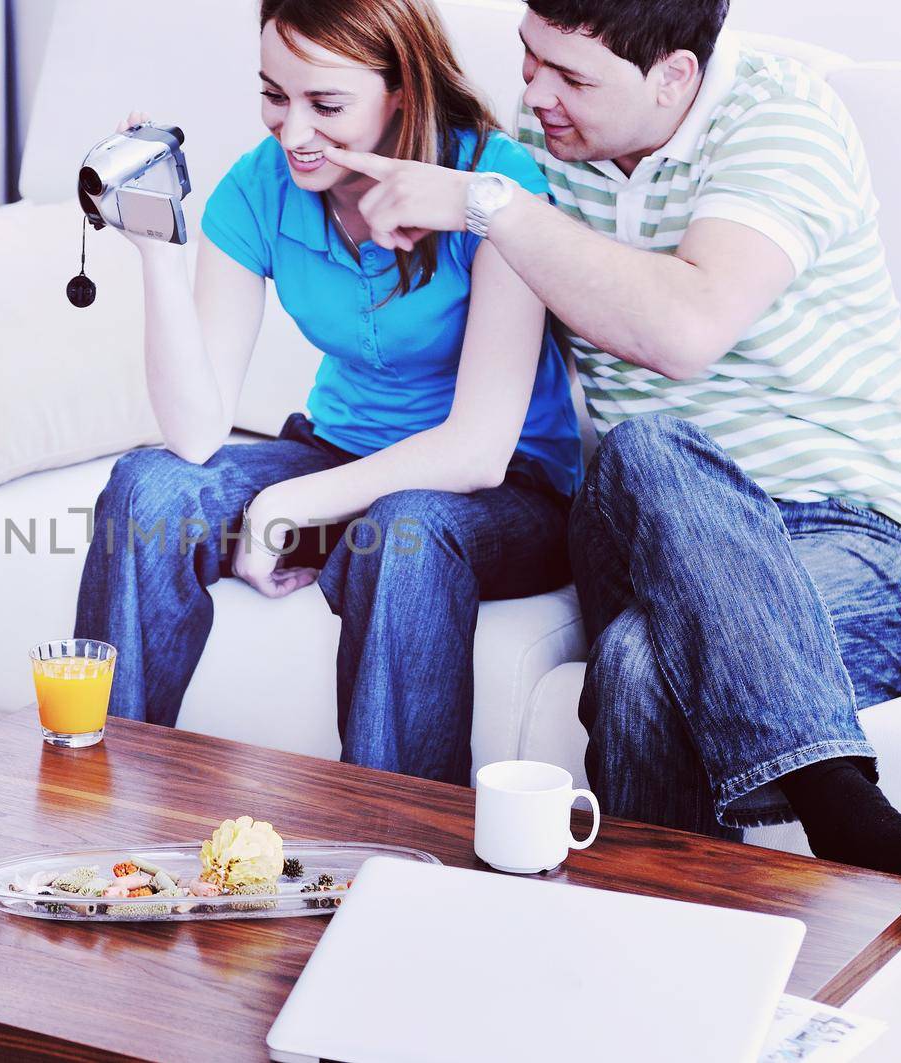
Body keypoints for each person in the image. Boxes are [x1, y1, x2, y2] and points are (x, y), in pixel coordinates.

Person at [323, 0, 901, 951]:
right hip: (640, 530)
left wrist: (496, 209)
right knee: (643, 452)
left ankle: (653, 970)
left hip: (864, 548)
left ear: (675, 74)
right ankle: (846, 810)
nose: (535, 94)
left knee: (637, 660)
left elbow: (684, 329)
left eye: (574, 78)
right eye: (529, 59)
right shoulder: (535, 158)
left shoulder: (779, 119)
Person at [73, 0, 581, 785]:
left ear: (402, 90)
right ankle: (103, 811)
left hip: (504, 492)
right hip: (340, 456)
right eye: (276, 95)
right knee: (150, 488)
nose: (294, 132)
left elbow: (478, 451)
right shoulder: (257, 188)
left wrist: (290, 507)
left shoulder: (493, 186)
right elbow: (197, 435)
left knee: (408, 528)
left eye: (327, 104)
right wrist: (156, 250)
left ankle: (403, 860)